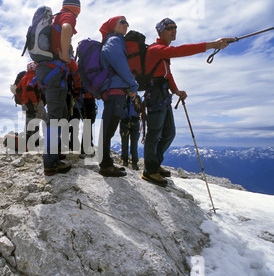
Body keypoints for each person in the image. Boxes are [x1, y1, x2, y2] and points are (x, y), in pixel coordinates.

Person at [142, 18, 233, 186]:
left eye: (175, 27)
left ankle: (154, 164)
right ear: (161, 31)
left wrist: (176, 91)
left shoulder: (163, 52)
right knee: (154, 133)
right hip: (155, 94)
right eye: (170, 28)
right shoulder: (156, 49)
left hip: (162, 94)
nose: (174, 30)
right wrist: (212, 44)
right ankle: (149, 171)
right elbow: (180, 51)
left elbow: (167, 74)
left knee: (169, 133)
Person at [35, 0, 81, 176]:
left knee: (60, 114)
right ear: (77, 8)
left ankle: (53, 154)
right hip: (55, 71)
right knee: (55, 117)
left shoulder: (53, 18)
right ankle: (50, 163)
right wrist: (66, 57)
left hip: (46, 72)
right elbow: (67, 28)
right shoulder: (67, 16)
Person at [98, 16, 138, 177]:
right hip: (115, 91)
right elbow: (120, 64)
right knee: (109, 128)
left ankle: (106, 162)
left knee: (109, 127)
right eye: (122, 22)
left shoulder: (114, 40)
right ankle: (105, 165)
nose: (126, 25)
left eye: (127, 23)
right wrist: (133, 84)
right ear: (112, 26)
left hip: (113, 90)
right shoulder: (114, 41)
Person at [16, 62, 46, 150]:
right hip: (33, 103)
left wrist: (22, 100)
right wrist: (34, 101)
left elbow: (17, 90)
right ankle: (33, 142)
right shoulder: (34, 77)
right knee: (38, 120)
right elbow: (30, 89)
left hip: (25, 103)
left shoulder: (23, 77)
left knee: (29, 122)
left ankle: (28, 143)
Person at [120, 94, 141, 170]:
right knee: (127, 142)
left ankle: (132, 162)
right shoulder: (124, 98)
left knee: (133, 143)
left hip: (131, 122)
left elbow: (140, 110)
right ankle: (128, 161)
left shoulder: (136, 98)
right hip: (127, 122)